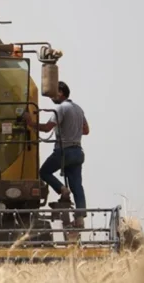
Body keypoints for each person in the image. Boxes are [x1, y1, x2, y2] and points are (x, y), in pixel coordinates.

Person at [23, 81, 89, 230]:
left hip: (63, 151)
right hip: (78, 151)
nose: (52, 96)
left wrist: (30, 123)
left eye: (54, 93)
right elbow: (86, 130)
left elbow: (47, 129)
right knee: (77, 185)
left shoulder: (60, 108)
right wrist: (72, 130)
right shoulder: (78, 109)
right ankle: (79, 219)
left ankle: (62, 190)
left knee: (44, 172)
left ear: (61, 93)